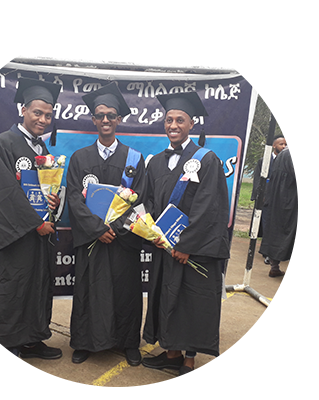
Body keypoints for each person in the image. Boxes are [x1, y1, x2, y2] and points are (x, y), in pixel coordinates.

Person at [141, 91, 230, 383]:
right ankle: (171, 354)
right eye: (169, 120)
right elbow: (149, 202)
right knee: (167, 298)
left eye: (180, 120)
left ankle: (188, 361)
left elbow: (209, 207)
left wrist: (186, 244)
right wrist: (151, 232)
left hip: (193, 249)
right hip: (164, 246)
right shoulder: (155, 162)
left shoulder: (206, 159)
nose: (173, 125)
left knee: (191, 302)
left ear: (192, 124)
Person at [0, 77, 62, 367]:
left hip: (37, 238)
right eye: (37, 113)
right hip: (14, 237)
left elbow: (45, 190)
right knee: (12, 290)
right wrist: (35, 223)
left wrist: (54, 202)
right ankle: (8, 348)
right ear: (23, 110)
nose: (43, 119)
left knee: (35, 287)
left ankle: (31, 339)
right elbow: (1, 193)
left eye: (48, 115)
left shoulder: (43, 151)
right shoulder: (3, 143)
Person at [66, 82, 147, 366]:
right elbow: (73, 198)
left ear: (119, 119)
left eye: (111, 115)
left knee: (126, 292)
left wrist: (116, 228)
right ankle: (84, 342)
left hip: (122, 241)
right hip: (93, 239)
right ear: (93, 119)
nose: (105, 120)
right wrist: (98, 229)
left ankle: (129, 342)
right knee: (89, 290)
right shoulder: (80, 158)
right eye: (100, 115)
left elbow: (140, 199)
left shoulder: (134, 159)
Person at [259, 146, 297, 277]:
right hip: (292, 200)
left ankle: (274, 267)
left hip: (278, 199)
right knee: (290, 232)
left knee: (277, 231)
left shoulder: (283, 153)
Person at [251, 135, 288, 264]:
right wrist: (258, 196)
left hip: (281, 200)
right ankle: (267, 252)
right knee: (266, 225)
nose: (284, 147)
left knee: (278, 225)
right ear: (274, 145)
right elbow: (258, 179)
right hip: (266, 199)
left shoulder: (287, 161)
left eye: (285, 144)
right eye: (281, 144)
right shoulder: (264, 160)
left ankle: (275, 251)